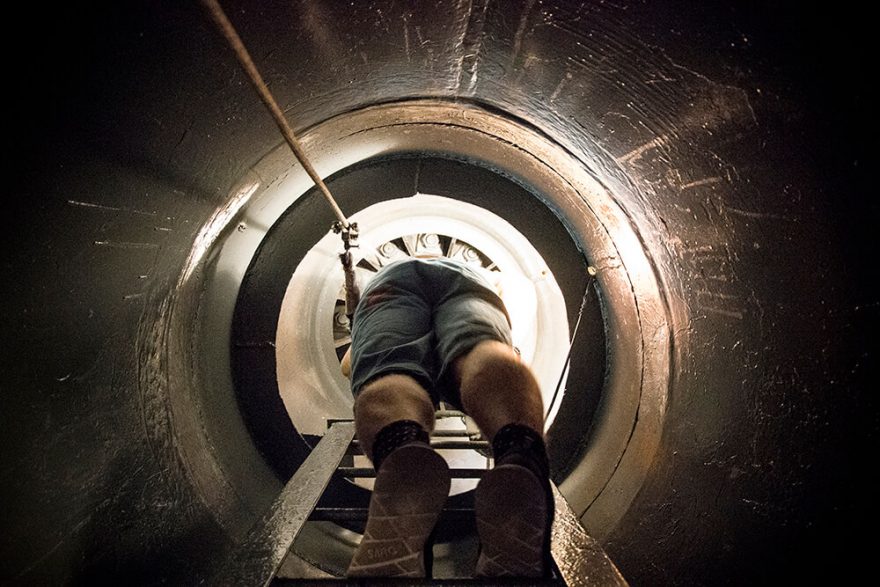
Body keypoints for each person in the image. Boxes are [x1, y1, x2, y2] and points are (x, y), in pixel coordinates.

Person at [341, 255, 554, 578]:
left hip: (389, 282)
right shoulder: (488, 276)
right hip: (471, 281)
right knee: (483, 349)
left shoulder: (388, 269)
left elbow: (349, 364)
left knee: (388, 368)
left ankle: (401, 446)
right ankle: (519, 452)